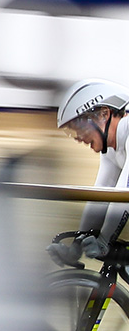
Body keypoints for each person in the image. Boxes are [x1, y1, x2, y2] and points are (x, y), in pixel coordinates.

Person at [48, 80, 129, 267]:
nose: (78, 138)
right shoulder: (111, 148)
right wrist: (77, 245)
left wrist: (103, 242)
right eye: (72, 132)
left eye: (80, 126)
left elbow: (124, 194)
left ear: (104, 114)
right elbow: (100, 195)